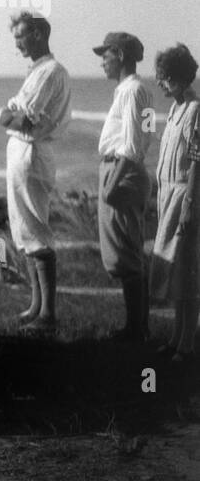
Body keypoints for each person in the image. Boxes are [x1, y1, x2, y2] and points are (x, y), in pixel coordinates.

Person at [0, 11, 72, 332]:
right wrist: (10, 116)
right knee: (25, 231)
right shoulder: (38, 70)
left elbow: (22, 118)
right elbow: (10, 113)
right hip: (23, 151)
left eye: (22, 36)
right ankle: (36, 305)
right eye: (15, 37)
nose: (17, 43)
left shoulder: (50, 71)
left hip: (32, 151)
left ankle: (48, 314)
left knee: (36, 228)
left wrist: (10, 117)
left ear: (40, 34)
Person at [93, 32, 153, 343]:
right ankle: (138, 327)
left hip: (122, 172)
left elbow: (130, 147)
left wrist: (111, 186)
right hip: (125, 171)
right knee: (128, 252)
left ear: (119, 54)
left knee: (127, 255)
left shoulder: (131, 92)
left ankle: (136, 330)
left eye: (106, 54)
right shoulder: (135, 90)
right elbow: (143, 138)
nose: (102, 60)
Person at [150, 44, 200, 364]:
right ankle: (174, 337)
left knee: (187, 274)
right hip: (166, 196)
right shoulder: (174, 108)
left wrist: (189, 205)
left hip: (184, 196)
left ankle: (186, 344)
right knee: (174, 273)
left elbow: (197, 161)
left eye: (165, 78)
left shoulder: (196, 109)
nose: (160, 84)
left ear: (181, 79)